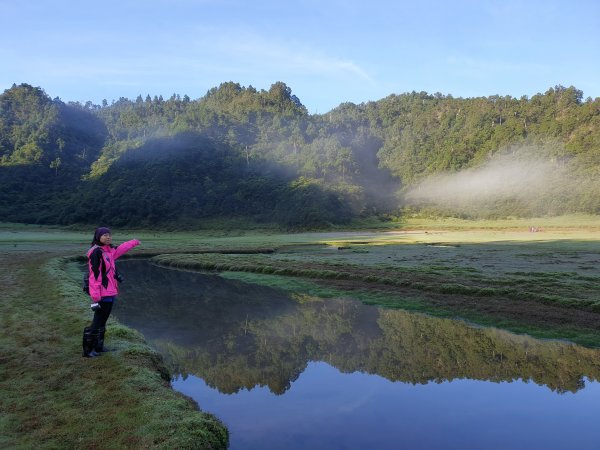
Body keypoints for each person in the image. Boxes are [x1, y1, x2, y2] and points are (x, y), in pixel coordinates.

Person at [82, 227, 140, 357]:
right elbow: (95, 274)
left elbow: (121, 249)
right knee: (98, 320)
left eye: (109, 235)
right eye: (105, 235)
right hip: (102, 292)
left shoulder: (108, 251)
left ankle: (99, 347)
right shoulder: (96, 252)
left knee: (103, 320)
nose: (108, 237)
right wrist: (95, 294)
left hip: (110, 291)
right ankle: (88, 351)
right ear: (98, 237)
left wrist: (134, 242)